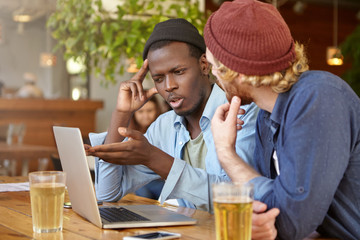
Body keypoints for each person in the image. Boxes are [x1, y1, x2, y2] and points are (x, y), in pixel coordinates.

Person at [86, 18, 279, 239]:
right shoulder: (164, 126)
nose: (169, 86)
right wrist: (121, 114)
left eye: (178, 71)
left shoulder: (242, 111)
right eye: (158, 78)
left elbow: (238, 196)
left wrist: (154, 158)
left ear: (204, 65)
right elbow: (108, 193)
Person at [203, 0, 360, 239]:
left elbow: (290, 223)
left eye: (214, 67)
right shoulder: (265, 118)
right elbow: (270, 213)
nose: (213, 75)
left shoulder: (319, 96)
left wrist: (226, 153)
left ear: (238, 73)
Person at [129, 97, 166, 199]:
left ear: (156, 110)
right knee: (144, 194)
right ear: (134, 114)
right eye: (140, 112)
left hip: (158, 180)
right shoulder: (127, 133)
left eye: (149, 111)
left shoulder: (164, 131)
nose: (145, 116)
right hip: (136, 180)